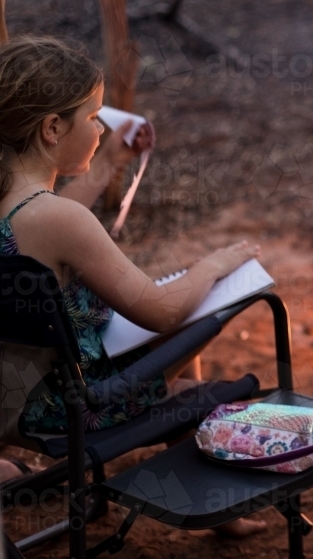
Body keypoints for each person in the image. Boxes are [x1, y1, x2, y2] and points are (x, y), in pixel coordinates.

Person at [0, 36, 265, 536]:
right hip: (67, 408)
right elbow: (162, 312)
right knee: (193, 347)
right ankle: (209, 501)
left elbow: (52, 217)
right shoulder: (60, 220)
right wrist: (213, 265)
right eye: (94, 116)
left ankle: (209, 501)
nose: (102, 127)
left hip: (10, 398)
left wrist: (109, 162)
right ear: (52, 128)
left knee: (173, 351)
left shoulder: (23, 210)